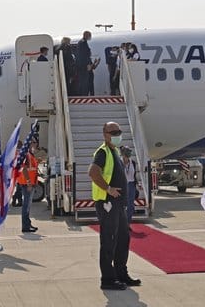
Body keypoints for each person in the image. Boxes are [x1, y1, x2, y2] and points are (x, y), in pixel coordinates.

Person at [88, 122, 141, 290]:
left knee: (122, 239)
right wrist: (108, 189)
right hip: (107, 203)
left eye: (119, 131)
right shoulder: (103, 153)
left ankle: (120, 274)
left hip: (118, 205)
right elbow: (93, 172)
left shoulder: (115, 152)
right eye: (113, 132)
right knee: (109, 241)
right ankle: (108, 280)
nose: (117, 134)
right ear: (105, 134)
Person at [18, 140, 39, 233]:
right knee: (26, 206)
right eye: (34, 142)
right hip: (27, 184)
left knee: (28, 206)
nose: (35, 144)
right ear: (30, 144)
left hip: (30, 184)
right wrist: (29, 182)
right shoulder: (27, 155)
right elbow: (24, 169)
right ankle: (25, 226)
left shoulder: (30, 154)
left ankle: (28, 223)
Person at [121, 146, 139, 225]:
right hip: (122, 185)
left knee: (131, 206)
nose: (129, 154)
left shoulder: (133, 163)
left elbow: (134, 175)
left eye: (129, 152)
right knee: (122, 205)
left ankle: (127, 224)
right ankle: (121, 223)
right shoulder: (119, 162)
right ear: (123, 154)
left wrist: (137, 184)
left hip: (131, 185)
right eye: (127, 152)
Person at [75, 31, 92, 95]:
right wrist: (87, 64)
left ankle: (83, 94)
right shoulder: (82, 43)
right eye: (89, 35)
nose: (90, 36)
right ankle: (83, 94)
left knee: (83, 81)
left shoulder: (83, 42)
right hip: (83, 66)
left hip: (82, 65)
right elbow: (83, 55)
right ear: (85, 35)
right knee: (83, 82)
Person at [12, 141, 24, 207]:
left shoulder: (14, 152)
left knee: (19, 188)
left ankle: (19, 200)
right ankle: (17, 199)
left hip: (16, 171)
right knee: (20, 188)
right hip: (20, 172)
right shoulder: (20, 152)